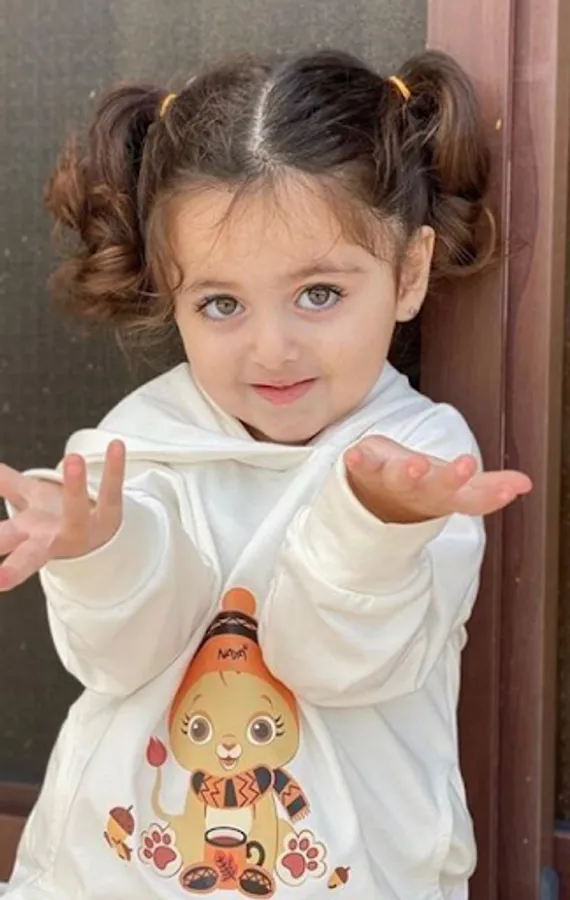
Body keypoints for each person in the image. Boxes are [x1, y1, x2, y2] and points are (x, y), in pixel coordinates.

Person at [0, 48, 531, 900]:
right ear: (171, 296)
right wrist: (101, 549)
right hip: (114, 876)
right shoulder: (139, 443)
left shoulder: (423, 456)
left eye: (319, 294)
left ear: (409, 273)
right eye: (221, 304)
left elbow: (331, 664)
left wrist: (374, 524)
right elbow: (121, 655)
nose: (272, 348)